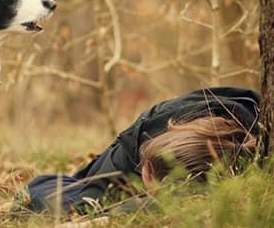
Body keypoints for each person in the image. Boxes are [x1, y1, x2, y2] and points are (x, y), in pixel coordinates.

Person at [14, 86, 261, 214]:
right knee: (64, 202)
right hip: (133, 148)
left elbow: (189, 200)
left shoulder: (243, 149)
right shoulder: (141, 144)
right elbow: (33, 195)